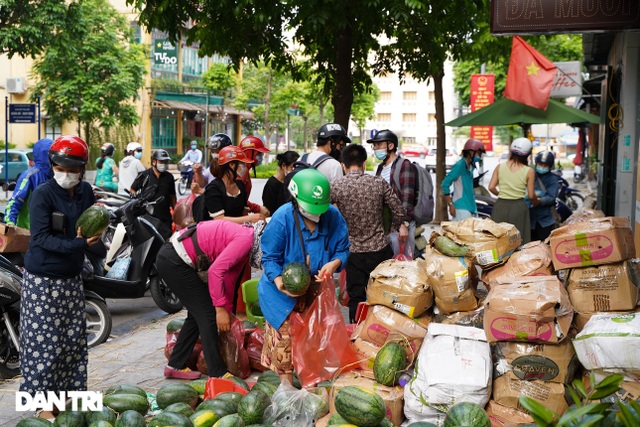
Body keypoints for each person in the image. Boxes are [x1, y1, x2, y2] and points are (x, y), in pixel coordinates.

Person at [20, 135, 101, 419]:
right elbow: (40, 238)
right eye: (60, 168)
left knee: (72, 344)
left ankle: (69, 401)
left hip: (71, 279)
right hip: (43, 281)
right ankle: (43, 408)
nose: (66, 174)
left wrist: (98, 232)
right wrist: (80, 244)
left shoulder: (86, 192)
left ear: (82, 168)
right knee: (45, 346)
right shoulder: (43, 194)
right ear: (53, 165)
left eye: (72, 169)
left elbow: (92, 221)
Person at [259, 168, 350, 383]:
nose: (317, 214)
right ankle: (287, 392)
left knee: (312, 342)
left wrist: (333, 264)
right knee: (285, 347)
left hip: (314, 292)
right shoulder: (282, 218)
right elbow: (269, 258)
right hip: (279, 296)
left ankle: (311, 386)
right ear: (295, 200)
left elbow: (343, 249)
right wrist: (281, 282)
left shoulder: (333, 216)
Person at [157, 220, 254, 379]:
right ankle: (218, 373)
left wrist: (227, 311)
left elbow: (229, 279)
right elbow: (215, 272)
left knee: (198, 314)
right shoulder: (245, 240)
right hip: (173, 260)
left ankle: (174, 365)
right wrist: (220, 309)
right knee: (208, 313)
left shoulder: (247, 241)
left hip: (173, 258)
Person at [331, 144, 406, 323]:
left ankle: (357, 333)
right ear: (364, 163)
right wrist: (390, 228)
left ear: (343, 165)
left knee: (356, 298)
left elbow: (325, 214)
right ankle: (379, 332)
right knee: (381, 297)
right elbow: (399, 210)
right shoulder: (378, 182)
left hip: (353, 252)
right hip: (379, 250)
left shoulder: (336, 186)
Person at [368, 129, 416, 257]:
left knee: (403, 268)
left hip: (401, 227)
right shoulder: (380, 168)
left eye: (379, 145)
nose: (375, 148)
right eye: (374, 145)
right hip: (386, 226)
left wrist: (404, 224)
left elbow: (407, 198)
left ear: (391, 145)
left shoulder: (404, 165)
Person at [488, 137, 539, 244]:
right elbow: (530, 195)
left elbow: (491, 187)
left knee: (498, 240)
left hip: (500, 205)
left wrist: (502, 194)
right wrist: (536, 201)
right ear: (527, 154)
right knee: (517, 241)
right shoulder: (529, 171)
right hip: (519, 207)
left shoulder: (500, 167)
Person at [203, 145, 266, 224]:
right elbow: (219, 219)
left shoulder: (240, 185)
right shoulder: (214, 188)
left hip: (236, 232)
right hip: (216, 233)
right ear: (232, 165)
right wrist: (250, 218)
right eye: (242, 164)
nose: (244, 167)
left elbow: (244, 214)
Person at [4, 137, 53, 229]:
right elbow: (16, 200)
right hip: (28, 230)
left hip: (48, 233)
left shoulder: (56, 175)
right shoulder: (30, 176)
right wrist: (10, 221)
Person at [130, 149, 177, 239]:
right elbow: (133, 189)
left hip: (165, 217)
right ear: (154, 162)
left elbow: (172, 196)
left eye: (166, 162)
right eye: (161, 161)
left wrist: (175, 213)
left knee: (165, 243)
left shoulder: (169, 177)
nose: (164, 164)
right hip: (148, 217)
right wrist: (136, 198)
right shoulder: (144, 175)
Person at [441, 138, 486, 221]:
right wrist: (450, 204)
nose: (479, 156)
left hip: (471, 206)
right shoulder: (460, 165)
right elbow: (445, 184)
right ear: (471, 152)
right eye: (479, 153)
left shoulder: (470, 166)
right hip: (461, 207)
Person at [530, 150, 560, 241]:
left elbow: (551, 198)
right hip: (529, 220)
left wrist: (538, 200)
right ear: (536, 163)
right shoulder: (530, 174)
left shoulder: (553, 179)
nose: (542, 167)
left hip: (545, 221)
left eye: (545, 165)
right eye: (540, 164)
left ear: (550, 166)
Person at [238, 135, 270, 217]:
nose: (261, 157)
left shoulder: (244, 169)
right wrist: (257, 208)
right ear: (250, 153)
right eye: (259, 154)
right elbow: (237, 198)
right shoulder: (241, 170)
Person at [262, 150, 299, 215]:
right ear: (283, 166)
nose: (295, 171)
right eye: (292, 168)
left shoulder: (291, 182)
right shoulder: (272, 184)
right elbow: (268, 210)